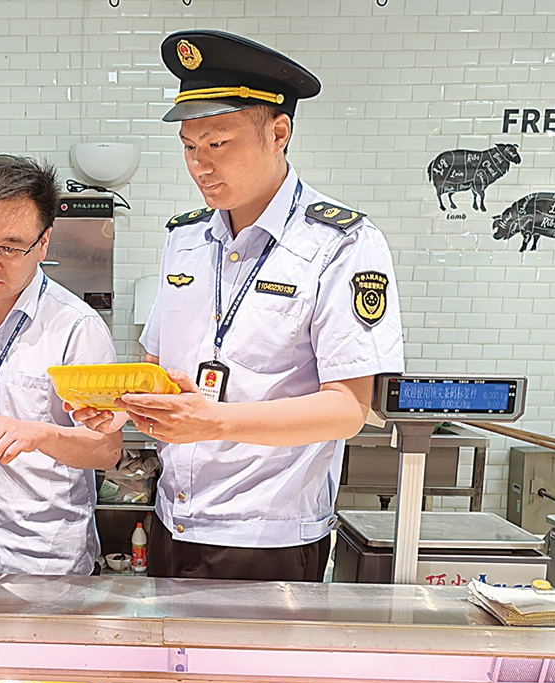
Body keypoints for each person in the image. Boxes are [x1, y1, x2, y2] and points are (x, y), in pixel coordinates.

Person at [74, 30, 404, 582]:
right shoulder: (185, 239)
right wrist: (124, 407)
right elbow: (160, 370)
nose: (200, 165)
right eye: (189, 146)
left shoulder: (341, 244)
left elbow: (348, 409)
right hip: (173, 522)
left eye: (218, 144)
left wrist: (214, 422)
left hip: (268, 536)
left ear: (278, 133)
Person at [0, 156, 121, 574]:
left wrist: (39, 435)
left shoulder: (76, 326)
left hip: (53, 565)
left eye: (10, 248)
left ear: (43, 243)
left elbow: (106, 450)